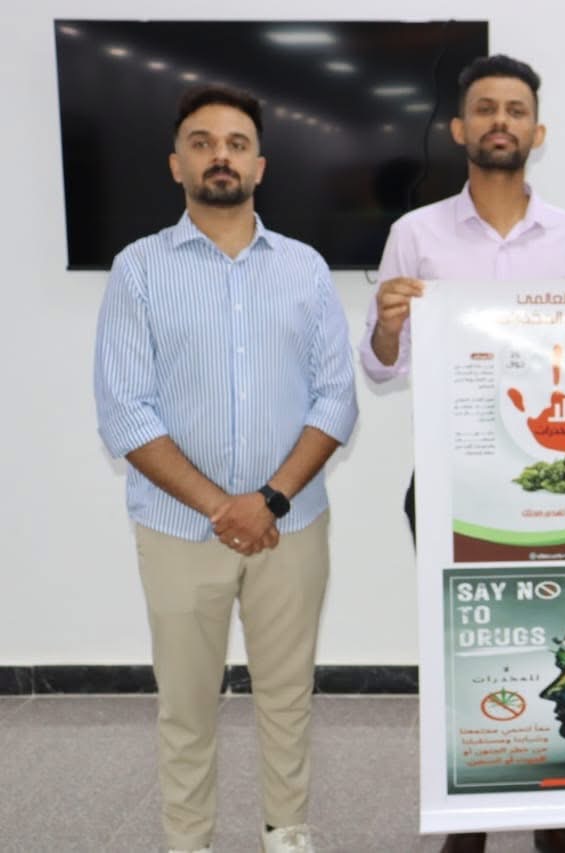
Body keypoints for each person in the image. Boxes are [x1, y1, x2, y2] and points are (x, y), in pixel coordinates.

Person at [93, 85, 358, 853]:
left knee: (288, 695)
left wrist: (268, 500)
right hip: (178, 528)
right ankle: (189, 839)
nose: (220, 155)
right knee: (186, 704)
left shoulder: (304, 268)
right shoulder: (139, 269)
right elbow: (126, 411)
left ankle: (287, 831)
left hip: (291, 525)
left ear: (259, 166)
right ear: (176, 164)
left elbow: (337, 400)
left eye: (237, 144)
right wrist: (224, 506)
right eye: (202, 142)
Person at [359, 55, 565, 853]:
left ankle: (556, 821)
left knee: (558, 640)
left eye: (516, 109)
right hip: (450, 479)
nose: (502, 121)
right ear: (461, 129)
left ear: (538, 130)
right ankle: (468, 823)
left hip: (549, 481)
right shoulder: (415, 234)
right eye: (487, 108)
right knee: (463, 651)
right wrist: (387, 324)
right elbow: (381, 368)